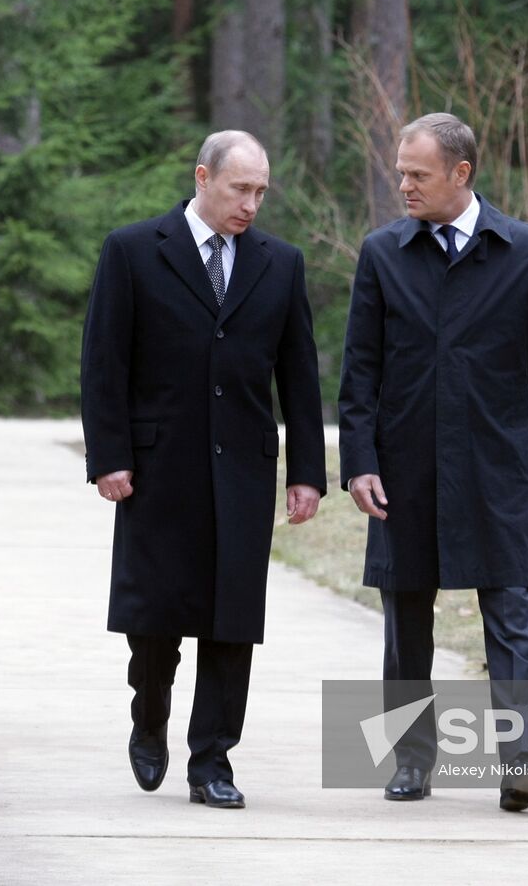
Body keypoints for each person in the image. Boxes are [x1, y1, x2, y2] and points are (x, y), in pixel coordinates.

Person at [337, 112, 528, 812]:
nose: (403, 185)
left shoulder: (521, 249)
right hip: (404, 465)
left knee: (513, 616)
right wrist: (359, 460)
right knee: (405, 624)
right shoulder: (384, 252)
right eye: (400, 171)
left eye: (417, 174)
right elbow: (359, 369)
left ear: (461, 174)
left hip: (494, 464)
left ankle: (522, 762)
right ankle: (410, 762)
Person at [80, 130, 327, 810]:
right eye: (239, 189)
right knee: (155, 616)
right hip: (159, 467)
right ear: (202, 177)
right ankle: (149, 714)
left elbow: (299, 378)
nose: (251, 204)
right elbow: (105, 364)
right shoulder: (133, 251)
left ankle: (212, 761)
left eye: (260, 193)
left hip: (243, 471)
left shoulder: (280, 263)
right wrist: (110, 458)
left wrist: (307, 472)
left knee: (231, 621)